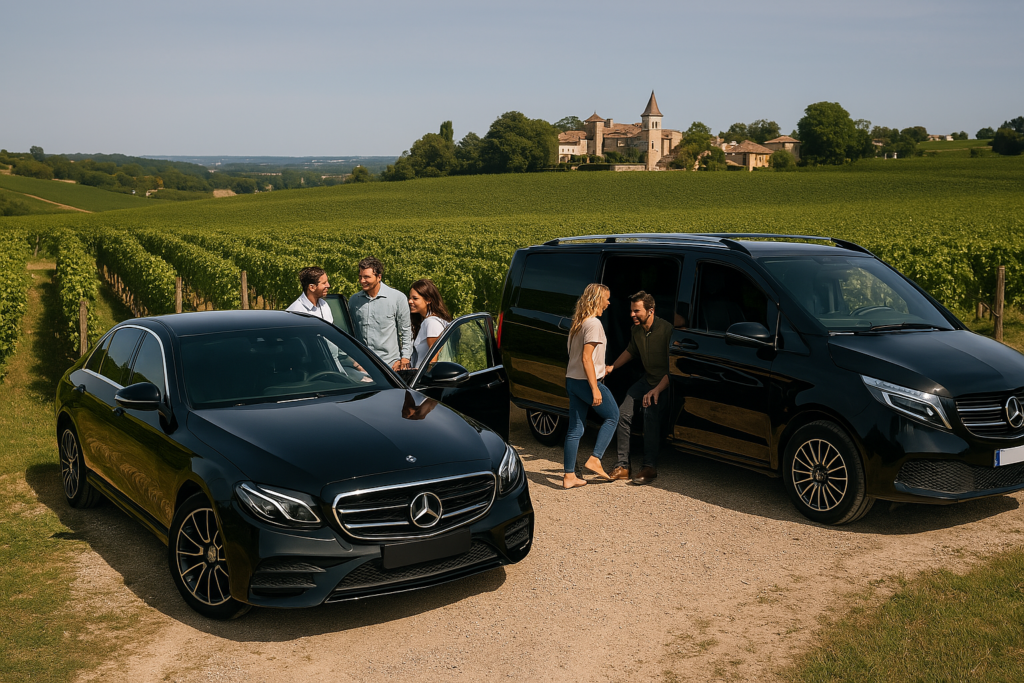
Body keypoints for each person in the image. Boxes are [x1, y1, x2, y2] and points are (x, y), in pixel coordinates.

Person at [606, 290, 671, 484]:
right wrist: (612, 367)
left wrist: (657, 389)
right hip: (647, 379)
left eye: (636, 311)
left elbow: (673, 368)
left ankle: (649, 466)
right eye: (631, 311)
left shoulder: (666, 330)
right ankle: (623, 466)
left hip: (665, 382)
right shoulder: (636, 330)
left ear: (650, 311)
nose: (632, 315)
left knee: (649, 413)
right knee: (622, 412)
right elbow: (630, 351)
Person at [562, 283, 616, 489]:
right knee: (613, 416)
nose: (608, 303)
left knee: (575, 429)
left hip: (572, 380)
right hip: (586, 382)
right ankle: (595, 459)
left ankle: (569, 476)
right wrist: (595, 388)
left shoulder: (578, 323)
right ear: (597, 299)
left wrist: (604, 368)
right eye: (606, 298)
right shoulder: (594, 324)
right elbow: (586, 359)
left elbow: (578, 358)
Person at [349, 257, 413, 371]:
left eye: (367, 277)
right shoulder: (354, 300)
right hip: (363, 365)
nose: (362, 281)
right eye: (360, 277)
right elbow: (352, 332)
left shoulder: (397, 298)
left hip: (391, 365)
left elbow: (406, 330)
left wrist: (405, 359)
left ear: (379, 277)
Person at [408, 279, 452, 368]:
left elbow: (434, 357)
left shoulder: (431, 322)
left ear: (428, 300)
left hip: (426, 378)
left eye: (415, 298)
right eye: (410, 298)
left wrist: (427, 377)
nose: (410, 301)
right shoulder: (430, 321)